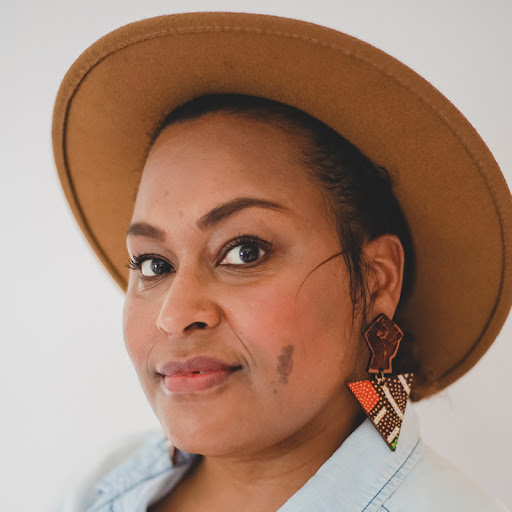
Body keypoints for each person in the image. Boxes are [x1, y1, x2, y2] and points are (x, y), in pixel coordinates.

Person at [52, 11, 512, 512]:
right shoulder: (100, 484)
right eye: (152, 264)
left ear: (377, 281)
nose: (174, 313)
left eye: (244, 251)